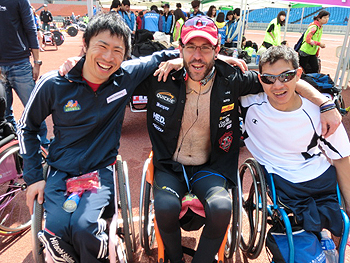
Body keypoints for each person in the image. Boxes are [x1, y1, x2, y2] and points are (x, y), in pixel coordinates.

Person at [138, 16, 341, 263]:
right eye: (191, 47)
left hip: (209, 167)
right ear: (180, 49)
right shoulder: (161, 77)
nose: (197, 56)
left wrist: (324, 102)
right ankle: (174, 258)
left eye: (205, 48)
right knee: (165, 207)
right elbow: (117, 73)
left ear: (217, 48)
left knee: (222, 208)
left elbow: (284, 79)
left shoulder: (232, 79)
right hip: (170, 167)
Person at [18, 12, 179, 263]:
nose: (108, 57)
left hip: (100, 171)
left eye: (117, 50)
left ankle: (104, 251)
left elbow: (162, 56)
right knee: (55, 232)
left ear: (126, 54)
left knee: (84, 229)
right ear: (85, 45)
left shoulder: (125, 76)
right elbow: (27, 127)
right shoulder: (54, 83)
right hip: (61, 171)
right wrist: (33, 178)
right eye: (101, 47)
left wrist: (192, 59)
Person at [240, 45, 350, 241]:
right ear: (260, 79)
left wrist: (349, 204)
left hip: (319, 175)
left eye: (286, 76)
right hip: (279, 179)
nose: (277, 85)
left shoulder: (321, 113)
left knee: (340, 223)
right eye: (268, 78)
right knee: (297, 234)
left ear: (298, 74)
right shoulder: (249, 102)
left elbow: (341, 157)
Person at [0, 0, 49, 148]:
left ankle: (44, 147)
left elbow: (30, 29)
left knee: (34, 110)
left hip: (20, 63)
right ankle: (17, 149)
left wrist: (37, 62)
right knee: (5, 115)